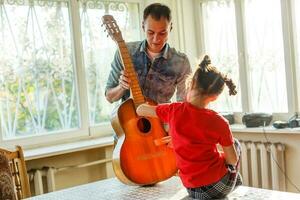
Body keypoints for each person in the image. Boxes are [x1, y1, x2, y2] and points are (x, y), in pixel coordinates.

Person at [136, 55, 242, 199]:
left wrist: (176, 137)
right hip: (218, 187)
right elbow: (232, 161)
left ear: (191, 83)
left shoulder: (173, 110)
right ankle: (235, 181)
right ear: (215, 97)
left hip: (192, 189)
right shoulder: (220, 122)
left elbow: (140, 110)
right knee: (235, 144)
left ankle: (233, 180)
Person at [105, 3, 192, 104]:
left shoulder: (181, 62)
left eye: (162, 33)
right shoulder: (125, 51)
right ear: (143, 26)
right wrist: (121, 87)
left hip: (159, 119)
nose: (156, 39)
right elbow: (109, 97)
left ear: (170, 28)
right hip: (127, 119)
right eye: (150, 32)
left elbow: (184, 106)